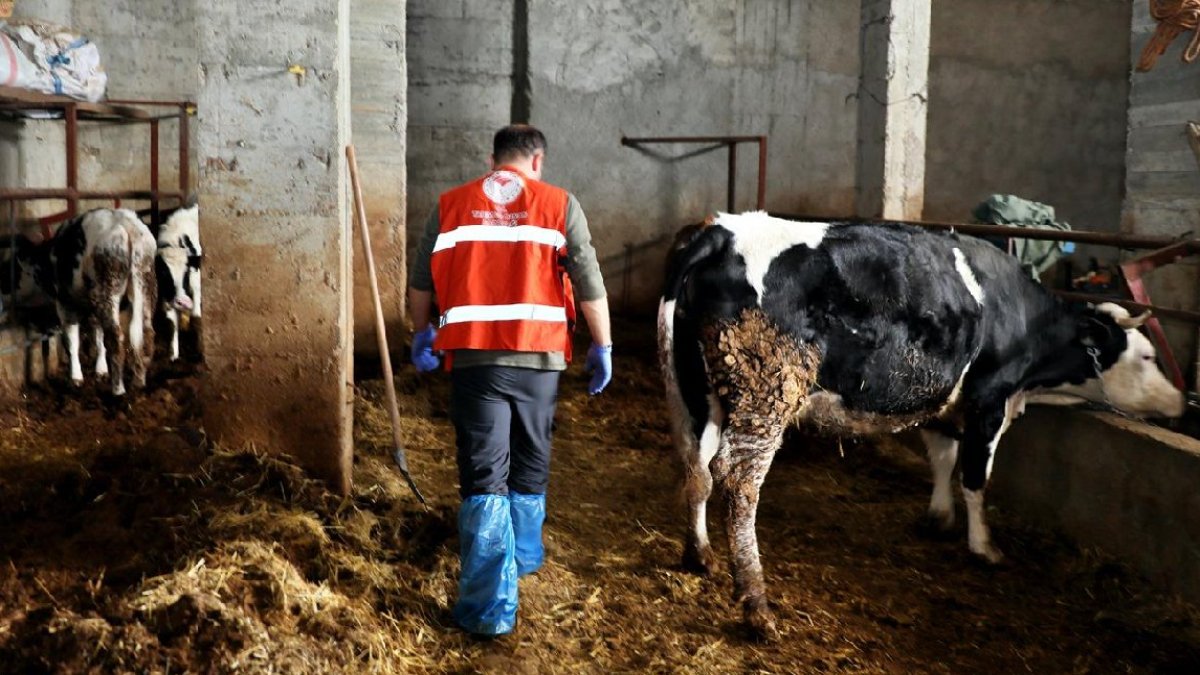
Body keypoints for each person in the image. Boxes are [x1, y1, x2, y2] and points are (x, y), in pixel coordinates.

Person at [406, 124, 612, 637]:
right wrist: (603, 344)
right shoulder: (560, 203)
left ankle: (489, 609)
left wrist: (421, 332)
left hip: (476, 361)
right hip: (540, 359)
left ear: (492, 159)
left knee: (483, 473)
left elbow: (421, 279)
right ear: (537, 161)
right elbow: (588, 281)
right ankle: (523, 557)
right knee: (532, 454)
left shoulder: (451, 204)